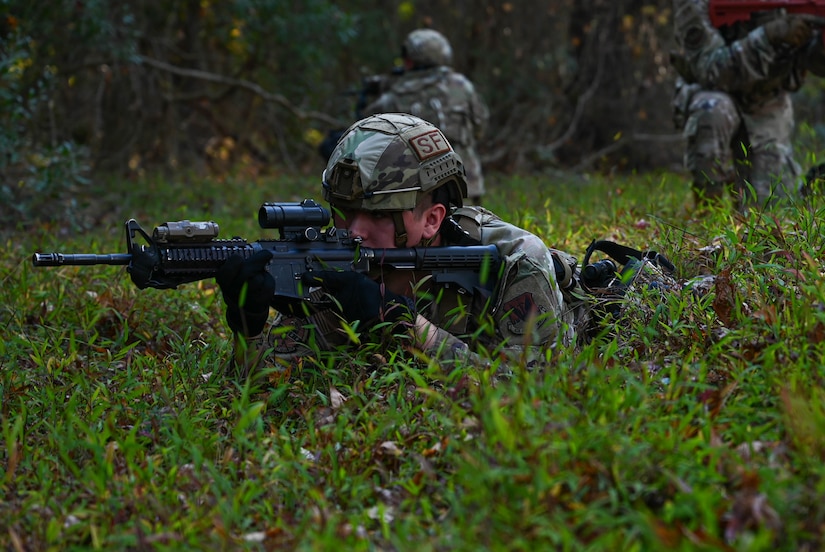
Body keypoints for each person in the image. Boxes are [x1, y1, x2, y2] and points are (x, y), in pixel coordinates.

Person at [216, 113, 584, 376]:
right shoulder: (334, 261)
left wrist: (400, 320)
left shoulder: (516, 260)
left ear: (431, 220)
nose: (354, 230)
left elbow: (530, 391)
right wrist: (247, 327)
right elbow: (259, 380)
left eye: (377, 215)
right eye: (344, 211)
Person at [670, 0, 825, 210]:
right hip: (716, 94)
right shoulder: (696, 4)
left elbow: (811, 60)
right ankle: (707, 211)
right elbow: (711, 70)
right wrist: (768, 36)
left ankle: (741, 182)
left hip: (767, 104)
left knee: (772, 211)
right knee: (711, 111)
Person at [361, 29, 490, 204]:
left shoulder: (395, 94)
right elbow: (480, 126)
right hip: (465, 184)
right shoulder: (461, 86)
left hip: (416, 191)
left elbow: (367, 136)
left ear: (409, 59)